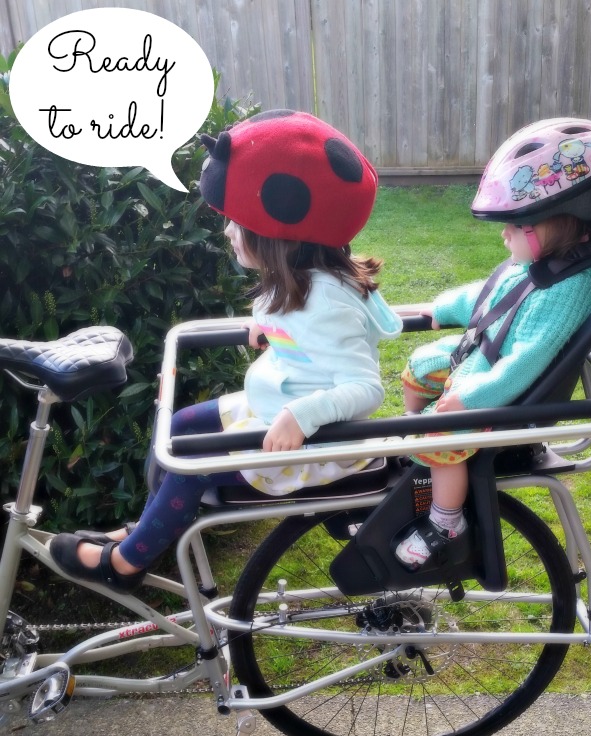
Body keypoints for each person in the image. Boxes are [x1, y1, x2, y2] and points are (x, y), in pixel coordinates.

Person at [50, 109, 402, 593]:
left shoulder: (324, 303)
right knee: (180, 427)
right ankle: (148, 528)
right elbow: (307, 338)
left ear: (275, 234)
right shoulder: (305, 283)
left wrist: (301, 416)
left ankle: (127, 563)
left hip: (316, 442)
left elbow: (365, 388)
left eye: (236, 223)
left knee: (195, 457)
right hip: (274, 411)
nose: (226, 232)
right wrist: (269, 330)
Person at [394, 117, 591, 569]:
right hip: (484, 356)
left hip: (502, 387)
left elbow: (527, 361)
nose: (504, 234)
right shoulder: (546, 264)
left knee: (438, 431)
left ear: (557, 224)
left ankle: (446, 521)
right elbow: (490, 296)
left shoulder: (570, 290)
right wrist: (440, 309)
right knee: (420, 366)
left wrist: (471, 400)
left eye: (514, 225)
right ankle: (422, 461)